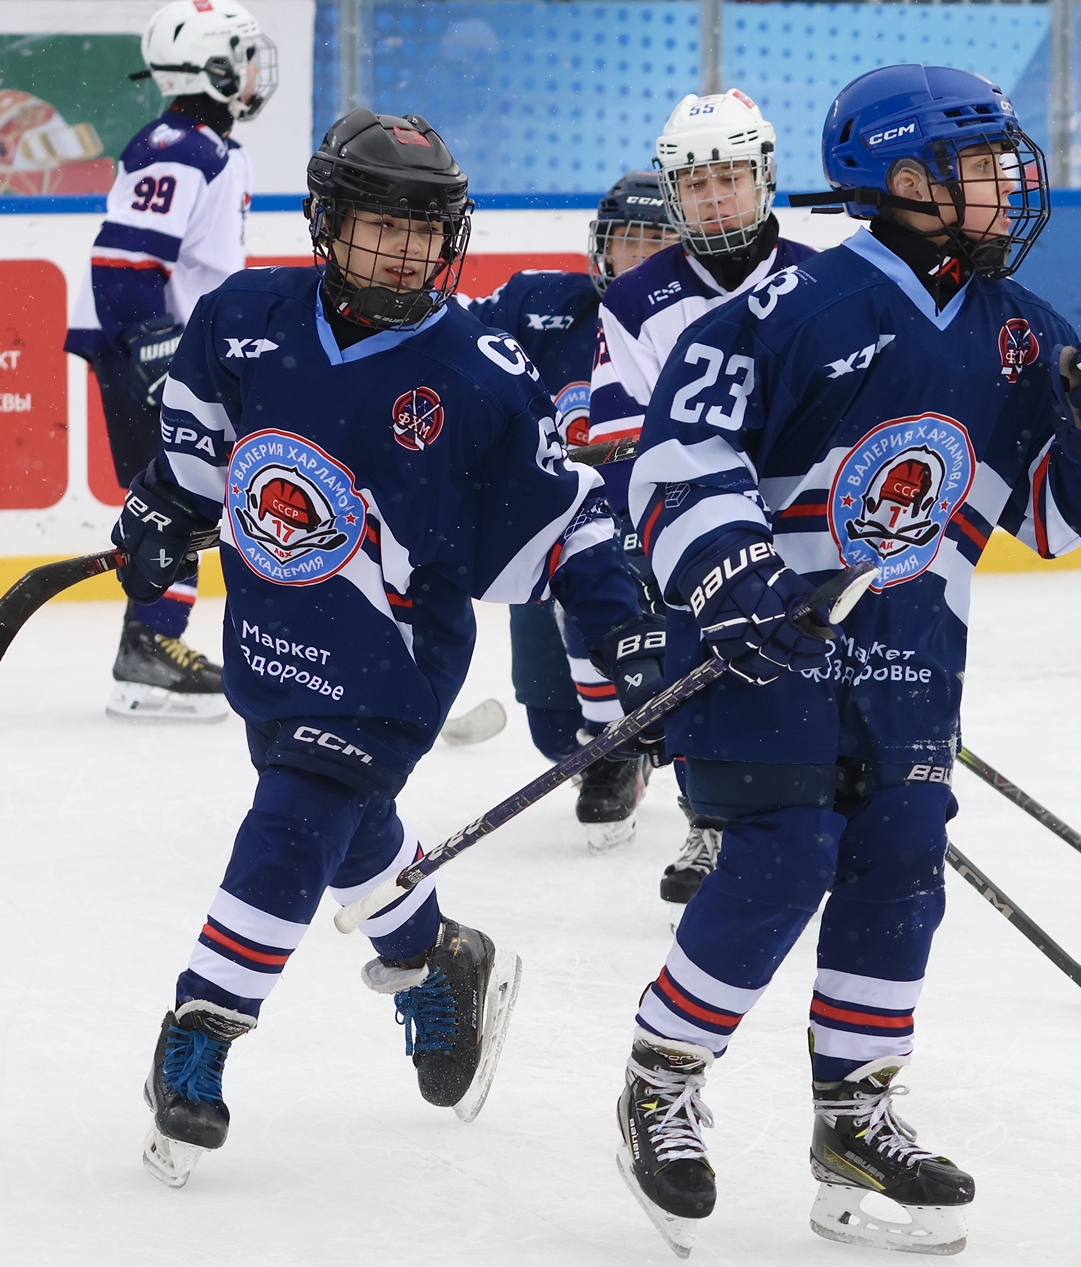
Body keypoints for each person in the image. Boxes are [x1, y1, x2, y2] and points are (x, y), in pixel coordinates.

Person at [608, 64, 1081, 1257]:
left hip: (915, 649)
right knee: (782, 858)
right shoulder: (788, 310)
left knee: (900, 867)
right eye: (972, 169)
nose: (1002, 189)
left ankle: (853, 1115)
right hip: (768, 651)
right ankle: (661, 1079)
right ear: (896, 182)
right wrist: (734, 581)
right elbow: (672, 466)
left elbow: (1055, 521)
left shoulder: (1022, 327)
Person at [115, 109, 665, 1189]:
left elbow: (571, 522)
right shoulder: (244, 316)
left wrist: (629, 632)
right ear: (327, 221)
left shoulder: (483, 367)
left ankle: (204, 1025)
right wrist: (162, 510)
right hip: (273, 624)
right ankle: (433, 960)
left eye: (430, 229)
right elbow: (198, 441)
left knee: (296, 820)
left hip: (397, 655)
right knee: (341, 823)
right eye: (384, 225)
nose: (412, 250)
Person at [587, 89, 820, 915]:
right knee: (700, 663)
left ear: (764, 178)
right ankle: (710, 818)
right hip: (693, 530)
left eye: (730, 178)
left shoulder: (823, 283)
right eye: (695, 184)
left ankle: (855, 804)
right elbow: (625, 450)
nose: (715, 197)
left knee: (829, 675)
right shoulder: (636, 300)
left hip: (806, 526)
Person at [65, 0, 279, 721]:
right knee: (182, 493)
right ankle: (149, 649)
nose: (254, 72)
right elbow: (123, 263)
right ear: (214, 69)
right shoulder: (179, 147)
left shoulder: (205, 145)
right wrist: (157, 355)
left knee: (191, 491)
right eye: (243, 57)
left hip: (163, 345)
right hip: (143, 346)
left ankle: (149, 644)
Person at [461, 171, 678, 851]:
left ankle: (630, 749)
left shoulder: (705, 324)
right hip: (555, 535)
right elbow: (443, 339)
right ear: (600, 247)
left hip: (657, 541)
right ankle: (614, 741)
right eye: (628, 240)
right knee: (556, 734)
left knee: (638, 715)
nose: (641, 256)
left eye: (659, 242)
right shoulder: (540, 303)